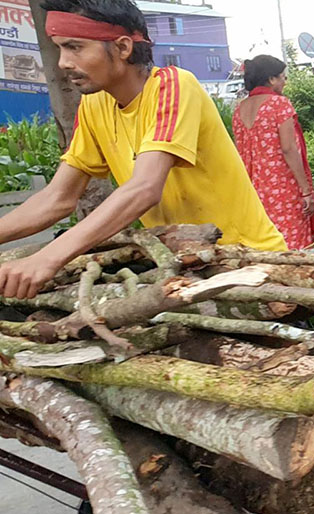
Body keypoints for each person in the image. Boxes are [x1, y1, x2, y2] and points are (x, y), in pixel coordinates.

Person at [0, 0, 285, 299]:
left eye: (75, 47)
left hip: (247, 263)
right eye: (59, 48)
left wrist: (48, 257)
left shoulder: (173, 86)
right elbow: (58, 197)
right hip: (187, 268)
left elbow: (144, 188)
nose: (63, 62)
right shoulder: (95, 104)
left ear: (123, 48)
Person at [233, 55, 314, 250]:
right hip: (282, 190)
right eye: (282, 77)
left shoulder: (239, 109)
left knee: (263, 247)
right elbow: (289, 149)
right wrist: (306, 191)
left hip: (252, 191)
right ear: (271, 79)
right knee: (291, 250)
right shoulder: (279, 104)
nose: (284, 82)